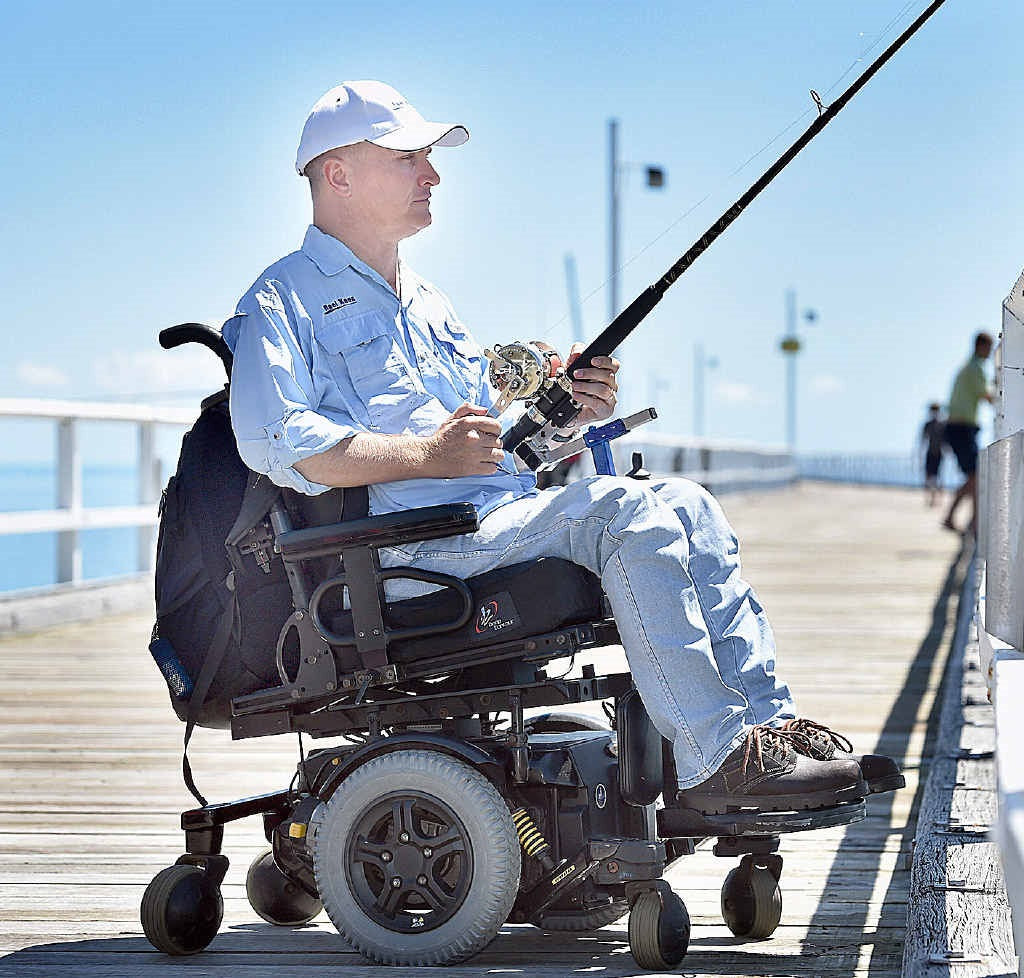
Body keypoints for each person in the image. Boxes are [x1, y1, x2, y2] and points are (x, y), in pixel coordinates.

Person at [224, 81, 899, 822]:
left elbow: (496, 450)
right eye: (409, 158)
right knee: (626, 516)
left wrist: (567, 414)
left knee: (687, 502)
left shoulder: (429, 302)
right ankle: (715, 760)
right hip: (412, 551)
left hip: (493, 520)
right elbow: (275, 440)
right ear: (338, 174)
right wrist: (427, 455)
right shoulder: (280, 300)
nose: (433, 175)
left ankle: (767, 733)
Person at [942, 331, 995, 534]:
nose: (990, 352)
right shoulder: (976, 369)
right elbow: (988, 397)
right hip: (962, 428)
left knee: (974, 475)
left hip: (959, 428)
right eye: (989, 348)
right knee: (976, 475)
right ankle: (970, 522)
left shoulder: (968, 367)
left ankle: (968, 521)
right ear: (980, 346)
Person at [920, 402, 945, 506]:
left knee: (937, 476)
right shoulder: (928, 425)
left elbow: (945, 441)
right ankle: (929, 498)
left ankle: (935, 499)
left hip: (938, 453)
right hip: (930, 452)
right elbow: (923, 439)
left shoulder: (942, 425)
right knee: (928, 476)